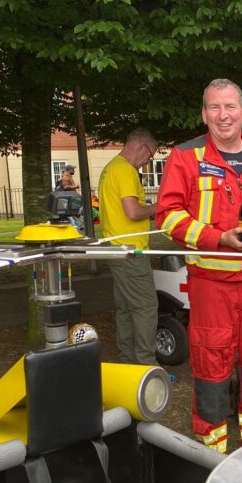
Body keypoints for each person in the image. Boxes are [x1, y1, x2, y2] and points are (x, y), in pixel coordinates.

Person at [156, 79, 242, 452]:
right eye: (214, 107)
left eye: (230, 107)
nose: (223, 115)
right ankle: (211, 447)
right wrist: (217, 238)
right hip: (210, 282)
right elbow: (167, 216)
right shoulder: (186, 157)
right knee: (211, 361)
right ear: (204, 114)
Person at [98, 129, 160, 367]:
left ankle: (129, 361)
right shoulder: (126, 170)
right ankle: (147, 365)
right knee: (145, 307)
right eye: (150, 156)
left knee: (125, 308)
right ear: (141, 147)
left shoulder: (110, 168)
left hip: (115, 247)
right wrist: (158, 205)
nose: (147, 162)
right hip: (131, 252)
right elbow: (133, 211)